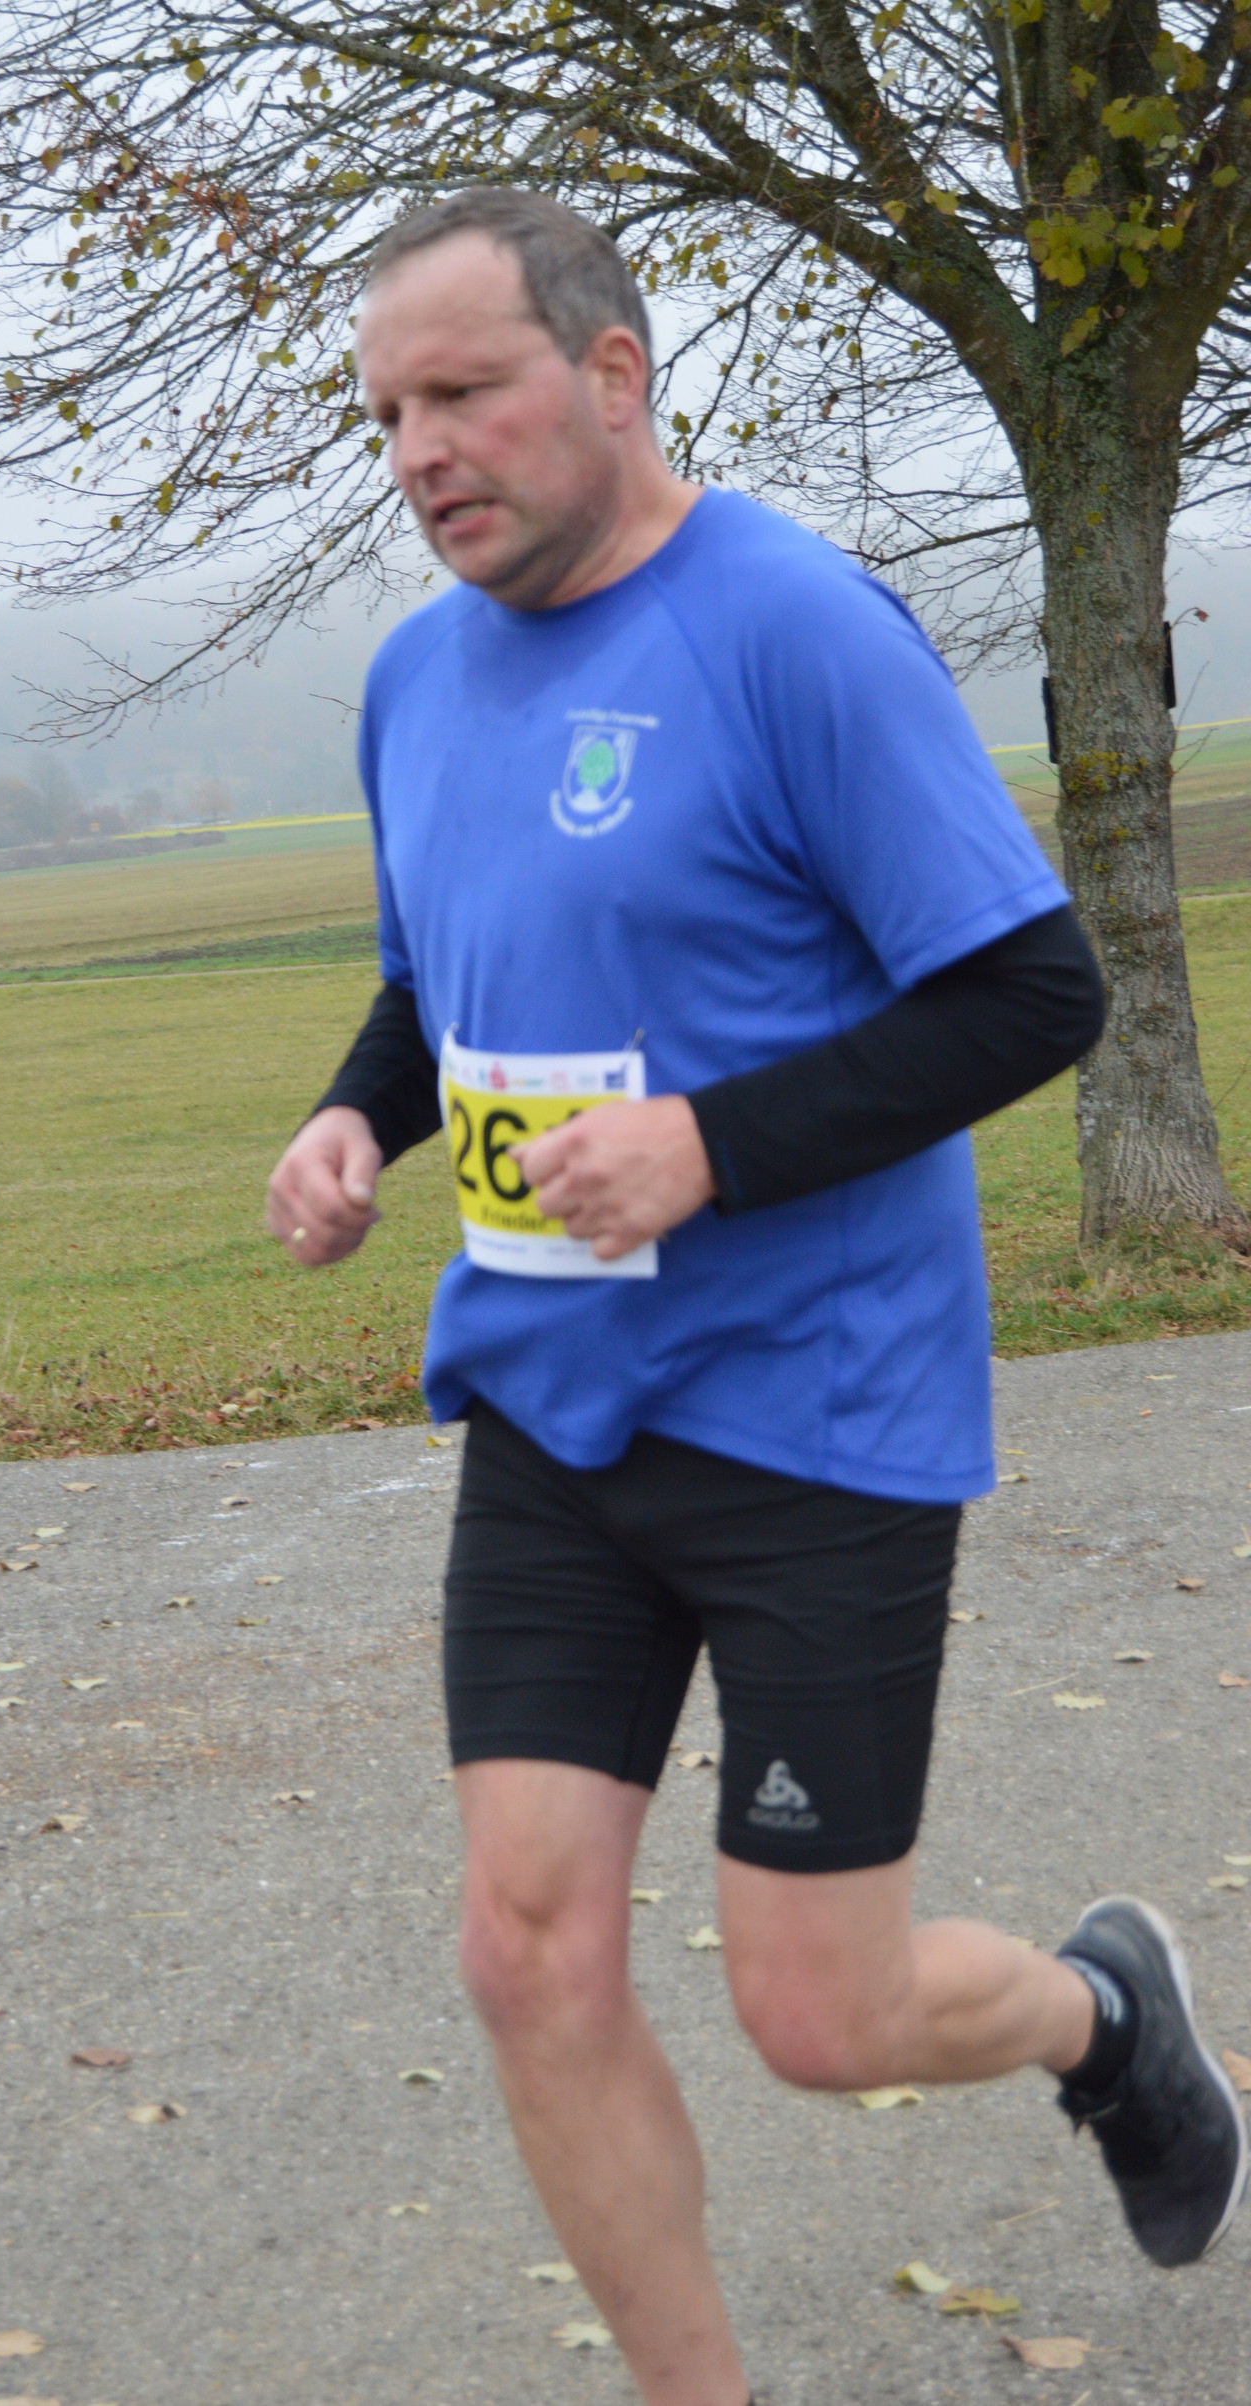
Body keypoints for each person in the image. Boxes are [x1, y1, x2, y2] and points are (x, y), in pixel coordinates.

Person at [265, 187, 1246, 2406]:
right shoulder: (414, 680)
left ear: (612, 373)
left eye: (463, 392)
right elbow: (441, 988)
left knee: (819, 2012)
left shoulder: (791, 628)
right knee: (524, 1952)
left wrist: (711, 1144)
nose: (420, 452)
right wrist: (351, 1119)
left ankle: (1106, 2016)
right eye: (387, 413)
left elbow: (1031, 991)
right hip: (548, 1407)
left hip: (812, 1408)